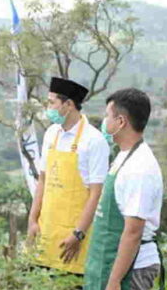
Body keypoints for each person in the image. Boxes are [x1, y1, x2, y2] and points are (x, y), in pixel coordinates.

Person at [84, 88, 164, 290]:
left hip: (136, 272)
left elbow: (133, 232)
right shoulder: (122, 156)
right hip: (113, 265)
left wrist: (114, 281)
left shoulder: (140, 168)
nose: (104, 121)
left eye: (107, 116)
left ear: (121, 121)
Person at [27, 77, 110, 274]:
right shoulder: (51, 134)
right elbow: (43, 180)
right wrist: (32, 220)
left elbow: (96, 194)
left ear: (69, 105)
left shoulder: (94, 141)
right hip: (46, 231)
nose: (48, 108)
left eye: (52, 103)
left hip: (73, 236)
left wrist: (78, 234)